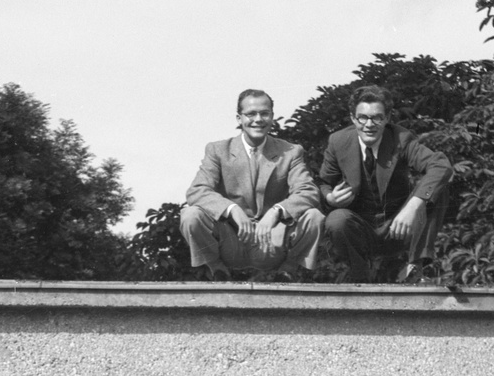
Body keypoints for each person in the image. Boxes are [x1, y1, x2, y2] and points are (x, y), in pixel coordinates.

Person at [180, 88, 322, 280]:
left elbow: (308, 192)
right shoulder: (218, 150)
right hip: (230, 240)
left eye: (264, 113)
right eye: (251, 114)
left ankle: (288, 270)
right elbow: (197, 190)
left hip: (272, 240)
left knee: (314, 216)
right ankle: (217, 269)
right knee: (191, 215)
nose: (258, 119)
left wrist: (277, 212)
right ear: (239, 119)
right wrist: (231, 209)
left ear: (272, 116)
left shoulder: (290, 152)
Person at [317, 85, 454, 283]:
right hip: (360, 229)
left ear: (388, 117)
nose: (369, 124)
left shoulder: (401, 139)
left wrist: (413, 208)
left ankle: (416, 268)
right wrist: (330, 196)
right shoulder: (338, 141)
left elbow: (441, 166)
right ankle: (359, 275)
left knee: (437, 190)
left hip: (399, 227)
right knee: (337, 220)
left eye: (377, 117)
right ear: (353, 118)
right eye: (362, 117)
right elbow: (322, 183)